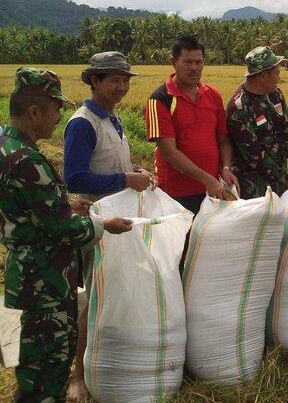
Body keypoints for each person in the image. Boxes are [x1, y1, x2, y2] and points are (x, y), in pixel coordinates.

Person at [0, 68, 132, 402]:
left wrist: (64, 204)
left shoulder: (5, 145)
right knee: (48, 379)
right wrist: (104, 225)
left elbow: (28, 206)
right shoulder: (28, 161)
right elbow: (64, 230)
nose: (59, 117)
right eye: (55, 108)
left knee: (26, 372)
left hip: (17, 277)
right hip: (44, 285)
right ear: (33, 112)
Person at [63, 51, 154, 402]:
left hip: (116, 217)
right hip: (95, 220)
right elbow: (74, 176)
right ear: (95, 81)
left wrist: (139, 174)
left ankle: (109, 360)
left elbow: (118, 166)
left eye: (125, 80)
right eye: (113, 79)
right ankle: (78, 376)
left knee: (113, 290)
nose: (121, 86)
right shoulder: (82, 123)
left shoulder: (112, 119)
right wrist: (125, 179)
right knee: (93, 295)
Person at [145, 36, 239, 217]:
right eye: (187, 62)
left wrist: (226, 168)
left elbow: (223, 139)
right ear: (173, 62)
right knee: (181, 243)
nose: (194, 68)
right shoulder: (160, 99)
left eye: (198, 62)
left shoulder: (212, 95)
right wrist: (207, 179)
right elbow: (169, 153)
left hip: (211, 190)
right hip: (175, 193)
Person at [227, 46, 288, 199]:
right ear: (263, 76)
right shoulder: (239, 107)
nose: (279, 77)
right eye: (276, 73)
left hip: (280, 178)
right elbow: (254, 156)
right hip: (255, 187)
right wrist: (286, 181)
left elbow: (287, 127)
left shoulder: (275, 94)